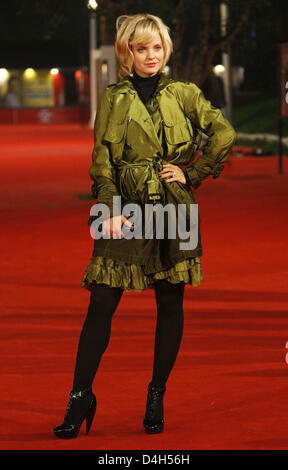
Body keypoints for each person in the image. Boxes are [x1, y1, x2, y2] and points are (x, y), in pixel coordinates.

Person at [54, 13, 236, 439]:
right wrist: (108, 209)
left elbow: (223, 133)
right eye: (141, 48)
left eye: (156, 47)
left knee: (170, 303)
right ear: (127, 52)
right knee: (101, 301)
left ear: (164, 50)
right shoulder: (113, 98)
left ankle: (156, 394)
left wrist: (192, 174)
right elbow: (102, 163)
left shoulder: (186, 93)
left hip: (176, 207)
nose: (150, 55)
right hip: (123, 207)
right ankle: (80, 396)